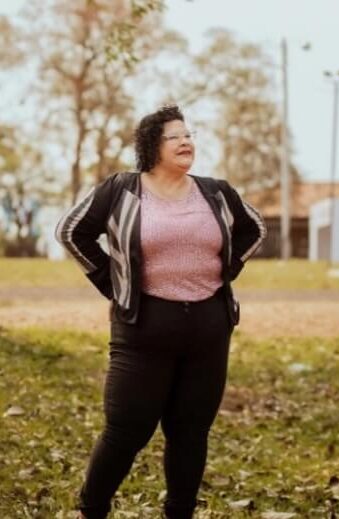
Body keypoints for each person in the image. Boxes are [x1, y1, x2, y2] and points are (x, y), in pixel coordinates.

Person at [55, 104, 266, 519]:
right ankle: (90, 510)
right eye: (176, 136)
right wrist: (111, 283)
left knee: (190, 432)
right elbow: (70, 231)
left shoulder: (216, 191)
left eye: (190, 135)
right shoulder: (122, 189)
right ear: (152, 144)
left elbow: (255, 229)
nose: (187, 142)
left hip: (209, 328)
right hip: (143, 329)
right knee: (125, 431)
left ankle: (179, 513)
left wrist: (228, 269)